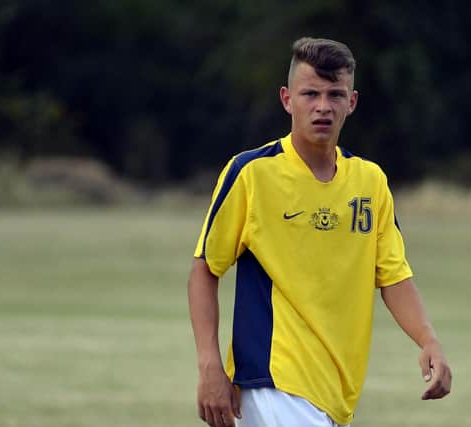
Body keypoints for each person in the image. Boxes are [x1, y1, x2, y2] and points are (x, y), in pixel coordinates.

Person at [187, 37, 452, 427]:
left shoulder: (370, 182)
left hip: (334, 394)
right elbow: (204, 270)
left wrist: (429, 340)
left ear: (353, 102)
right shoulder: (252, 173)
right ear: (286, 99)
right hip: (272, 382)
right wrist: (210, 365)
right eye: (310, 94)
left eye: (335, 94)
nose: (323, 106)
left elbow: (393, 276)